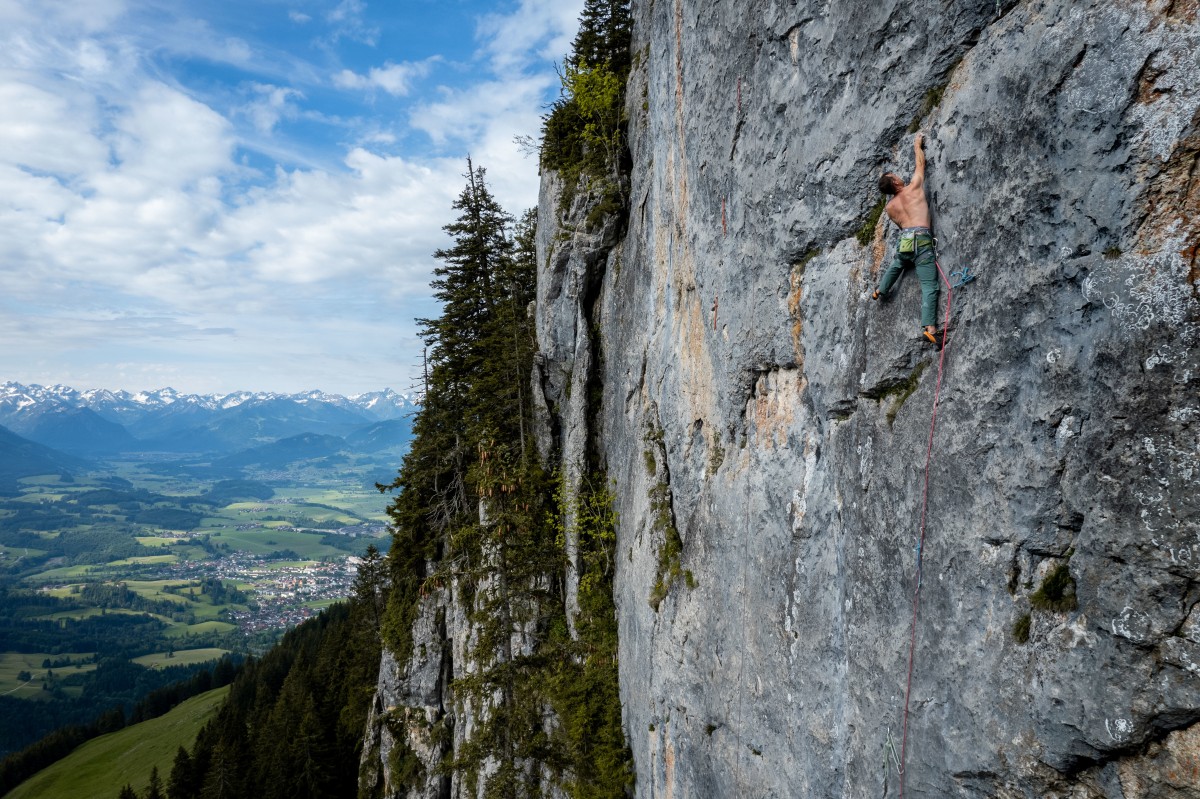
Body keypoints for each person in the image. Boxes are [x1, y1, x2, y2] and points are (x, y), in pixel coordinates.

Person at [872, 132, 942, 347]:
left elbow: (900, 225)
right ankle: (930, 329)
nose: (899, 176)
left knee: (900, 262)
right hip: (921, 240)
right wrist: (917, 145)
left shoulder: (890, 207)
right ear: (894, 181)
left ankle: (881, 289)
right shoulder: (913, 188)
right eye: (895, 175)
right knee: (930, 285)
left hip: (905, 240)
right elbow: (921, 165)